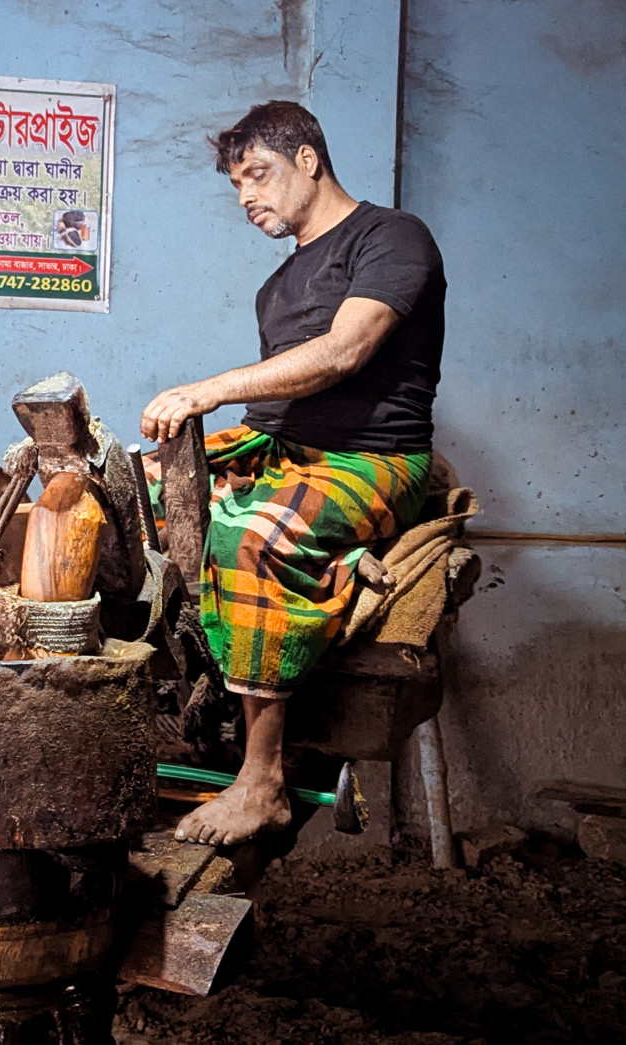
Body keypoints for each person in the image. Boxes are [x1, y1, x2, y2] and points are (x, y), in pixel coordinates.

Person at [140, 101, 445, 846]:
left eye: (258, 175)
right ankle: (195, 714)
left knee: (252, 536)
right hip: (279, 443)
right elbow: (279, 398)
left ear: (308, 159)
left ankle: (263, 781)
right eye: (238, 184)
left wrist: (207, 390)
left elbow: (344, 352)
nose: (247, 196)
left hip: (369, 455)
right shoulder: (276, 289)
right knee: (135, 497)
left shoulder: (390, 237)